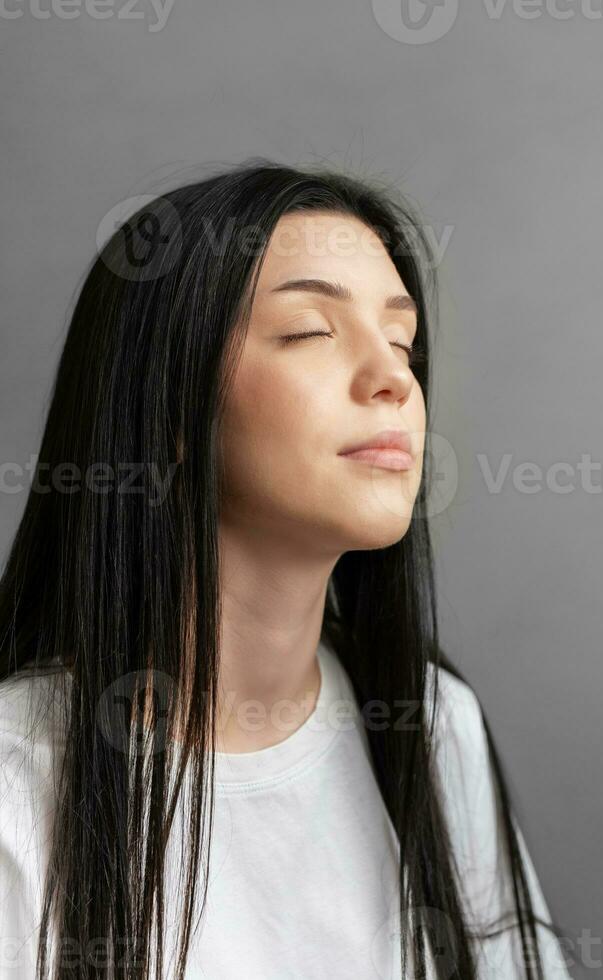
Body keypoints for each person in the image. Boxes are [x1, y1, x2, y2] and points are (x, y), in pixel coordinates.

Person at [0, 160, 572, 979]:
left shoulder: (430, 725)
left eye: (403, 342)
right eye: (311, 331)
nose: (393, 381)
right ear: (167, 407)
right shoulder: (16, 789)